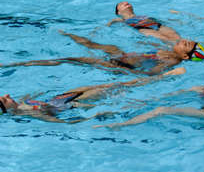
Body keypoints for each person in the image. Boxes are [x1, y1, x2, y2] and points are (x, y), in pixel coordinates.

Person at [0, 67, 186, 123]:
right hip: (74, 105)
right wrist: (91, 117)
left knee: (112, 85)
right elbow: (62, 123)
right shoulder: (29, 114)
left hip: (60, 97)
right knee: (117, 88)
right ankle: (165, 78)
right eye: (4, 99)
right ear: (4, 109)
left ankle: (159, 78)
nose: (7, 94)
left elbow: (36, 96)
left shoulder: (22, 102)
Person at [0, 30, 204, 76]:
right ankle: (65, 32)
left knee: (70, 59)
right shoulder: (167, 49)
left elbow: (152, 73)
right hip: (122, 56)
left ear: (184, 57)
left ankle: (15, 65)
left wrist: (125, 70)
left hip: (120, 65)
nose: (188, 42)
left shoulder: (172, 60)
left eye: (189, 46)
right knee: (94, 44)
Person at [107, 1, 181, 42]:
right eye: (121, 4)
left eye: (127, 3)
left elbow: (156, 19)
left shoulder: (142, 16)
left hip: (157, 25)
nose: (126, 2)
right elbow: (108, 25)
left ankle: (190, 51)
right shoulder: (121, 19)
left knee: (177, 38)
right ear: (118, 12)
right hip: (143, 28)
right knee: (167, 41)